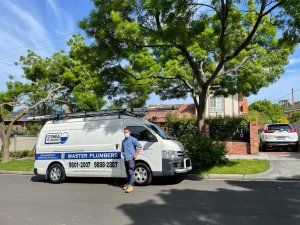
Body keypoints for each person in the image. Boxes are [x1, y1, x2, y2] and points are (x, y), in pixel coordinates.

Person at [121, 127, 142, 193]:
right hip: (126, 159)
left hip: (131, 159)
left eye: (126, 132)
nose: (125, 133)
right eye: (124, 132)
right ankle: (129, 183)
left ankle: (131, 185)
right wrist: (122, 152)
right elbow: (122, 149)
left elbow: (139, 146)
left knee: (131, 171)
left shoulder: (133, 139)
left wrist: (136, 154)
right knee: (127, 171)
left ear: (129, 132)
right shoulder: (124, 141)